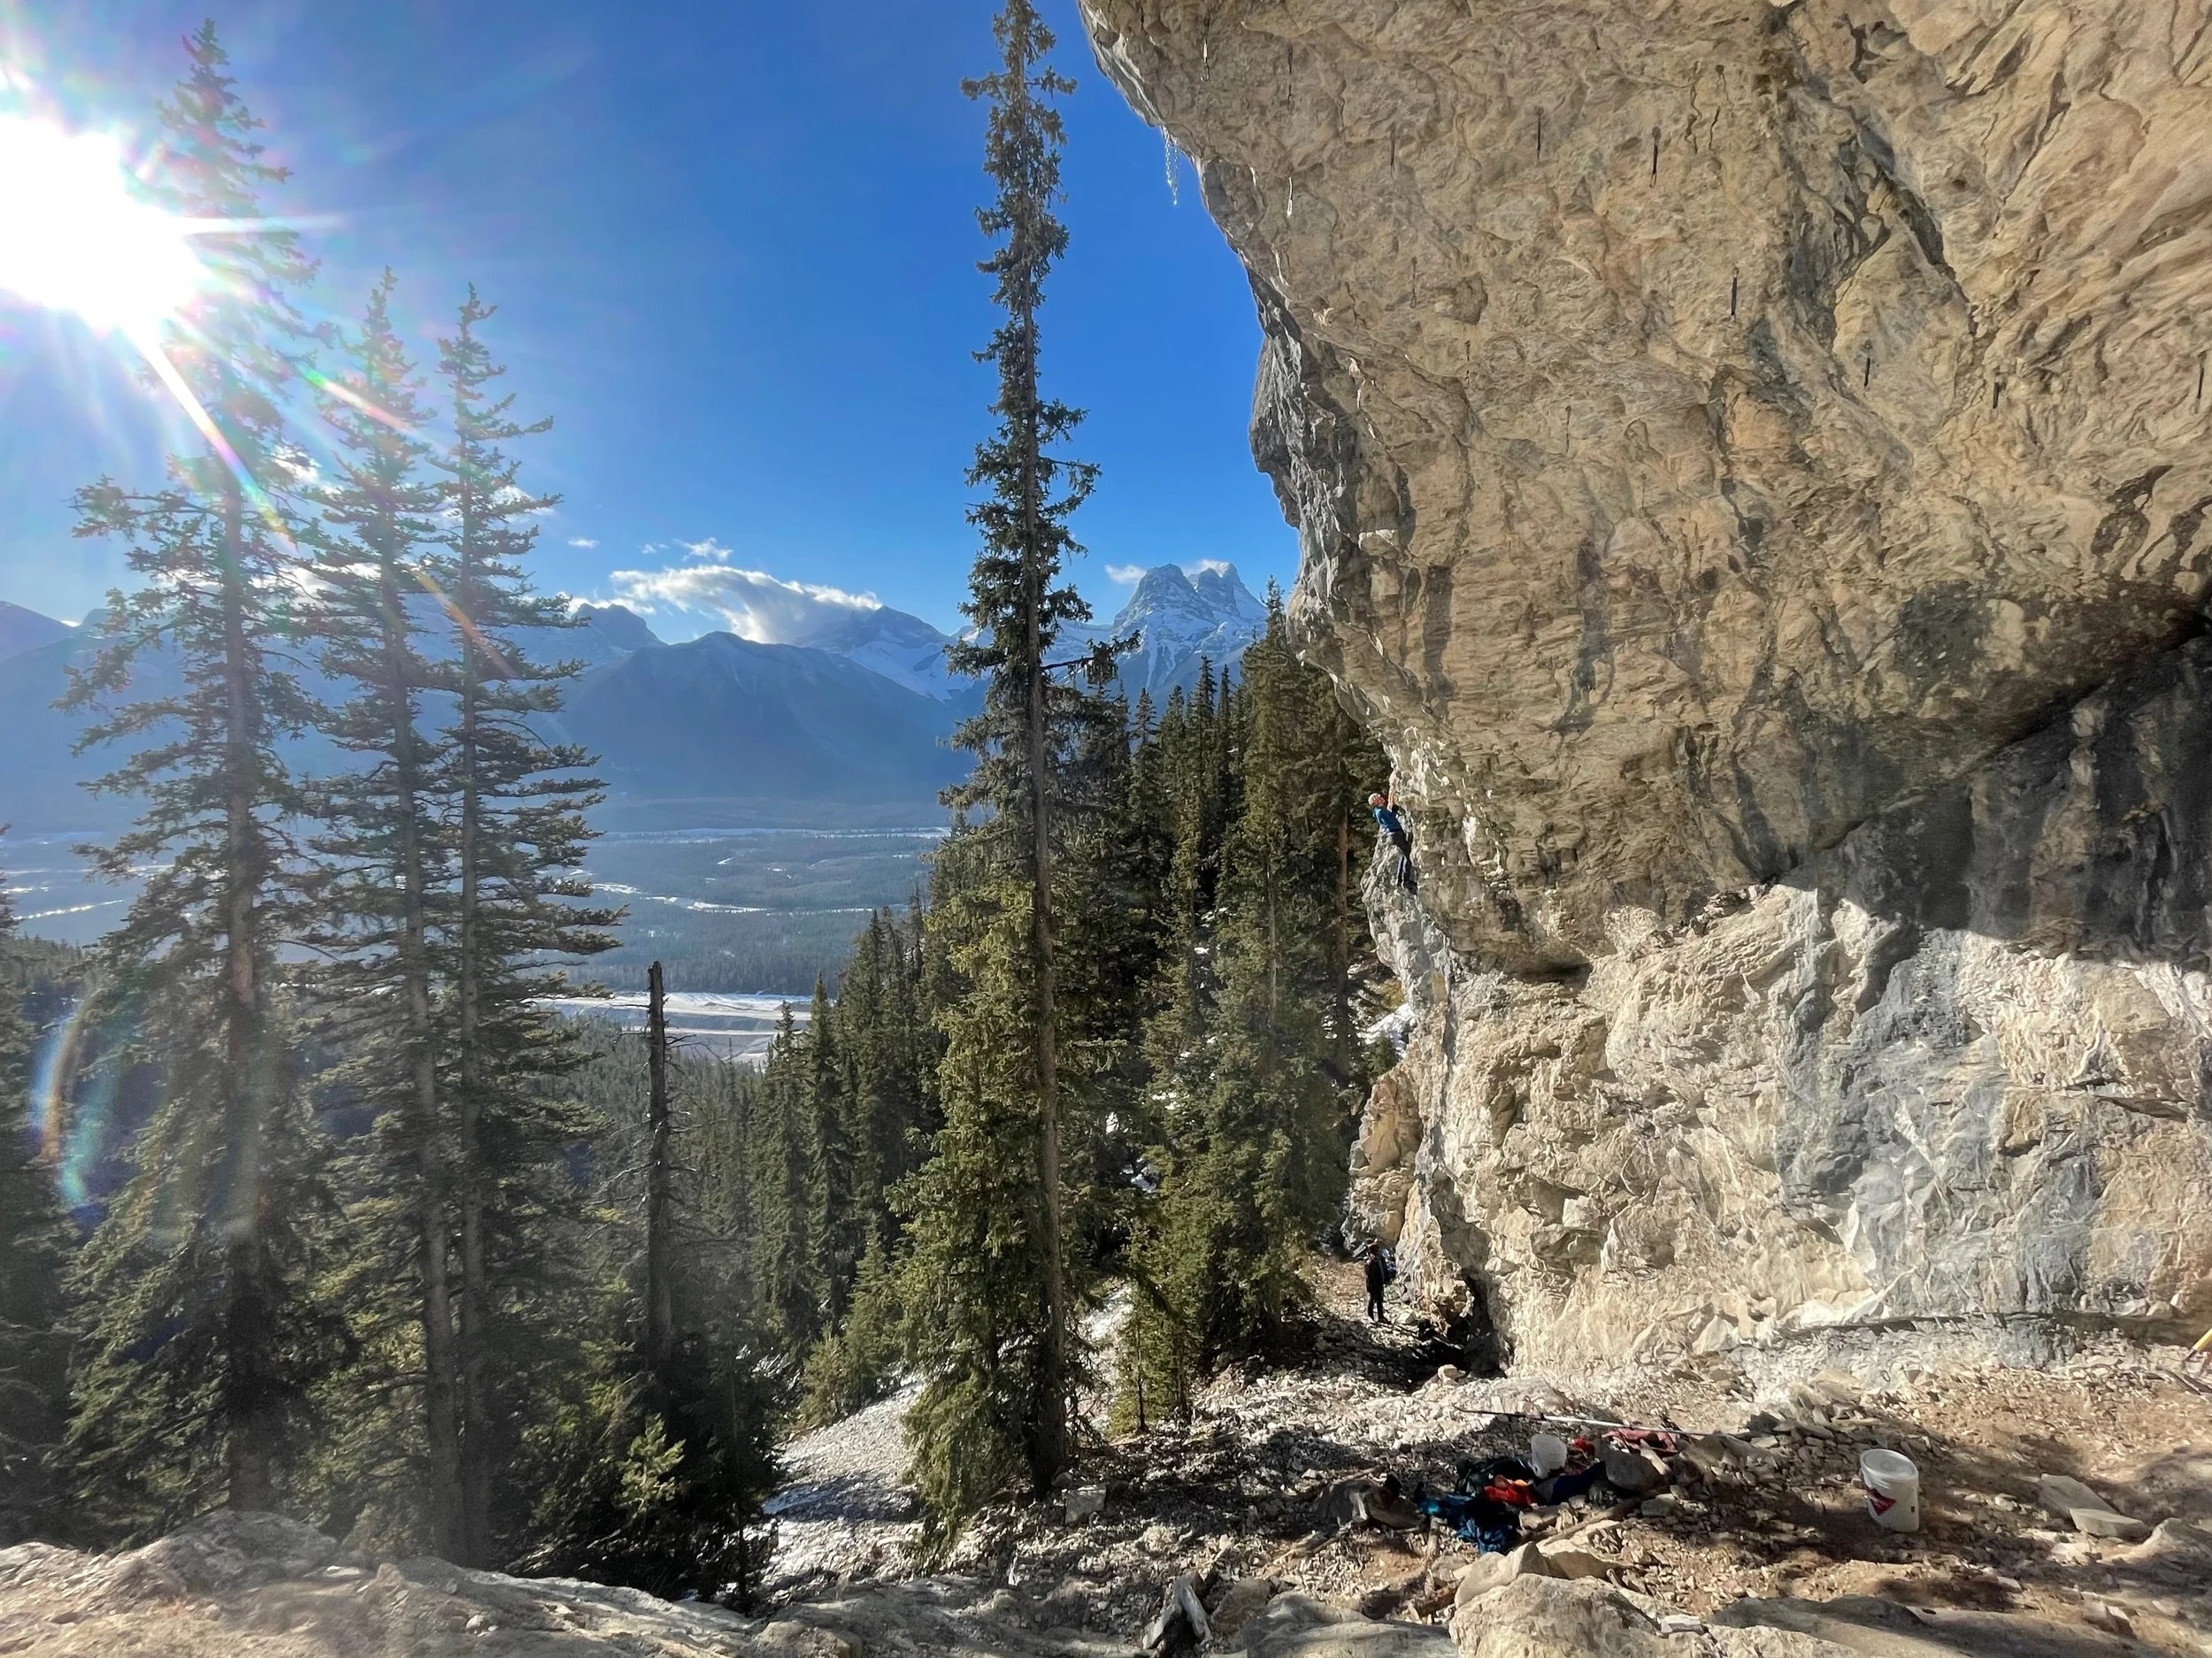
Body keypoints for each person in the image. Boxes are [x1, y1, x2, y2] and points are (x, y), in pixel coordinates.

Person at [1369, 791, 1416, 892]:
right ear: (1376, 802)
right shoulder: (1380, 811)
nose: (1381, 798)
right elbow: (1390, 819)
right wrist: (1394, 810)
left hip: (1393, 835)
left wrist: (1391, 805)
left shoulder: (1378, 811)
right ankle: (1405, 881)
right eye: (1379, 798)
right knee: (1407, 855)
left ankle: (1400, 880)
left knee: (1403, 856)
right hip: (1396, 834)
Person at [1363, 1241, 1389, 1324]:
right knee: (1372, 1299)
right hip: (1372, 1285)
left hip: (1379, 1283)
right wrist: (1373, 1285)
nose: (1377, 1252)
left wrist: (1385, 1279)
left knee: (1380, 1300)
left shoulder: (1379, 1260)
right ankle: (1370, 1317)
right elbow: (1369, 1276)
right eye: (1376, 1251)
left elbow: (1383, 1270)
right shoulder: (1369, 1262)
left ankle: (1381, 1317)